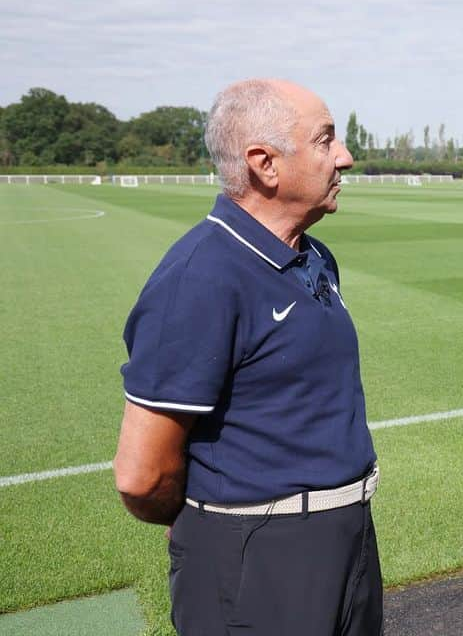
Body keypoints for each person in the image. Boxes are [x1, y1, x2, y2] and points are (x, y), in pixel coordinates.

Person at [113, 79, 382, 635]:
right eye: (325, 140)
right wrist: (204, 525)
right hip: (258, 560)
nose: (345, 158)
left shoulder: (314, 256)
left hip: (348, 542)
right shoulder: (201, 277)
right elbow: (141, 476)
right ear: (265, 164)